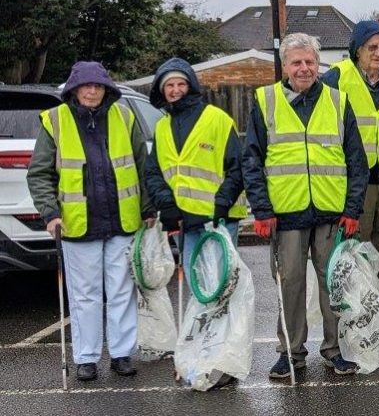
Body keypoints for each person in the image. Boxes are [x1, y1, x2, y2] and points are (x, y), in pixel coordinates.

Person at [243, 33, 369, 379]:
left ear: (318, 64)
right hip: (286, 215)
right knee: (291, 284)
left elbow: (356, 161)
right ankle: (290, 352)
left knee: (334, 284)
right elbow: (251, 161)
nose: (304, 68)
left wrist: (352, 210)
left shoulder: (338, 101)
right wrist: (262, 210)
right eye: (297, 62)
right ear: (285, 66)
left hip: (332, 213)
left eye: (310, 62)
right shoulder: (265, 101)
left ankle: (335, 349)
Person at [26, 61, 154, 381]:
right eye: (86, 86)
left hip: (123, 220)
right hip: (77, 223)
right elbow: (39, 174)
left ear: (106, 89)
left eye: (97, 86)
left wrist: (148, 208)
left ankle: (122, 354)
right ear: (74, 90)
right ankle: (86, 357)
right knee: (85, 294)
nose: (92, 91)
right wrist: (50, 214)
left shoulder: (124, 116)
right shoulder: (55, 121)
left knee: (122, 290)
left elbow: (142, 165)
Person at [322, 21, 379, 339]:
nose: (378, 53)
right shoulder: (337, 77)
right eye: (371, 47)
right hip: (351, 184)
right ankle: (356, 329)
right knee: (352, 260)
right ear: (357, 50)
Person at [143, 57, 247, 289]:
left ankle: (225, 328)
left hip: (219, 218)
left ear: (190, 85)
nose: (175, 90)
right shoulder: (162, 127)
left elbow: (238, 166)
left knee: (220, 287)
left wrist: (223, 201)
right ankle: (202, 327)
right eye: (169, 85)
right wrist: (166, 204)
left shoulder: (217, 119)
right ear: (162, 90)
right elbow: (153, 172)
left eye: (181, 84)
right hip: (185, 220)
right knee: (198, 287)